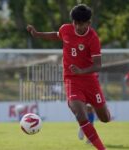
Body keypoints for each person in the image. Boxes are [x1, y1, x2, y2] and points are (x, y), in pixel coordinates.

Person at [27, 4, 111, 150]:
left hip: (90, 80)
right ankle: (99, 146)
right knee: (79, 113)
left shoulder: (93, 38)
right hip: (71, 79)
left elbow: (98, 65)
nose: (78, 26)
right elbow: (56, 35)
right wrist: (38, 34)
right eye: (75, 23)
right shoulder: (66, 29)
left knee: (105, 119)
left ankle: (89, 117)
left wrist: (81, 71)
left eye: (81, 24)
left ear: (88, 23)